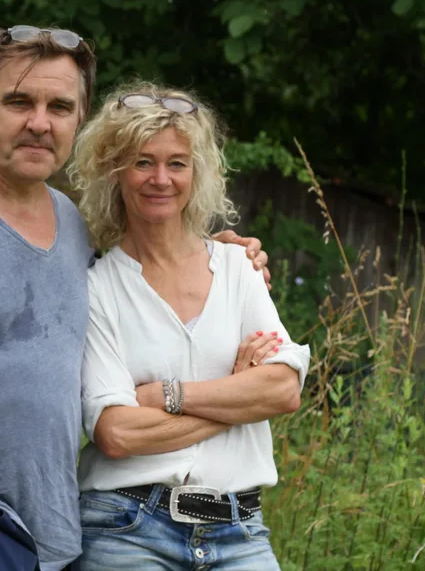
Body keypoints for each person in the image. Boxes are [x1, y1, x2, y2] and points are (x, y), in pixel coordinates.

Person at [0, 27, 271, 571]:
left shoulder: (72, 225)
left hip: (55, 533)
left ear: (77, 121)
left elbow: (149, 272)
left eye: (60, 106)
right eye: (19, 101)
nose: (39, 122)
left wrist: (226, 256)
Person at [69, 82, 309, 571]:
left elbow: (283, 389)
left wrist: (166, 396)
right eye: (142, 162)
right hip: (126, 526)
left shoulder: (239, 267)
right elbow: (116, 433)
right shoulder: (95, 290)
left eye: (176, 162)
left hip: (239, 530)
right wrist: (237, 397)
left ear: (196, 172)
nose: (160, 178)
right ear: (114, 171)